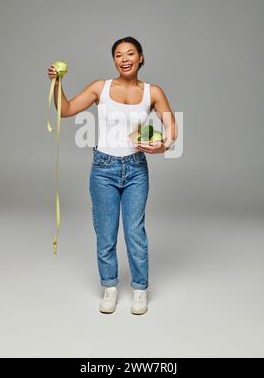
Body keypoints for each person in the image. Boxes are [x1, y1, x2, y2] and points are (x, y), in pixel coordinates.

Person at [47, 36, 178, 315]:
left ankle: (140, 289)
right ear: (114, 60)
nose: (125, 59)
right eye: (118, 55)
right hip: (103, 169)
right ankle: (110, 287)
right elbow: (67, 110)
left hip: (135, 169)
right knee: (105, 233)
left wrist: (162, 146)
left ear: (141, 57)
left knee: (134, 231)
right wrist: (57, 83)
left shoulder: (152, 92)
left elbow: (171, 128)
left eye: (130, 53)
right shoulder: (100, 88)